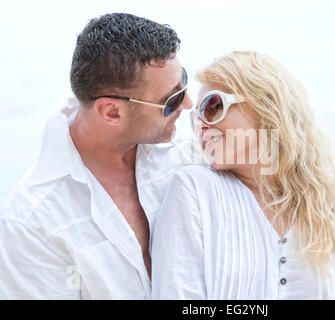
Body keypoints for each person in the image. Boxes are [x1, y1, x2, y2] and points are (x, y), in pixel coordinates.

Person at [0, 13, 193, 299]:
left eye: (184, 82)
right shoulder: (29, 224)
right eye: (171, 100)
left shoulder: (187, 154)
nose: (188, 104)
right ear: (112, 112)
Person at [151, 51, 335, 299]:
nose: (201, 126)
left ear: (265, 104)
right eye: (195, 119)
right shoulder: (194, 190)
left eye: (212, 107)